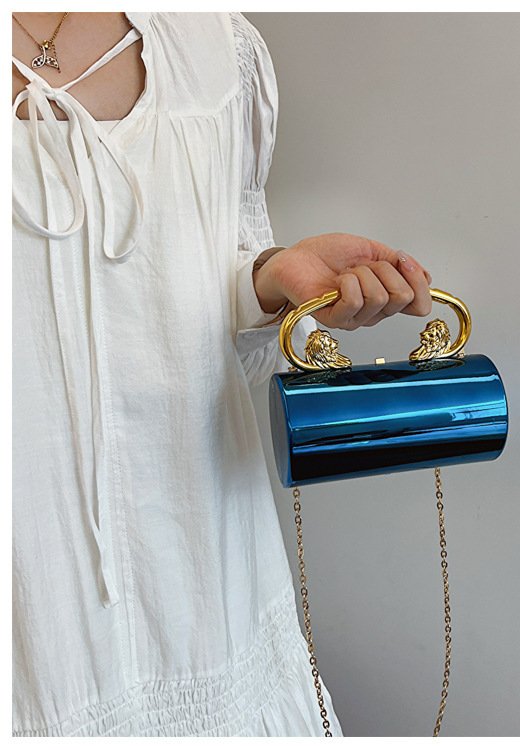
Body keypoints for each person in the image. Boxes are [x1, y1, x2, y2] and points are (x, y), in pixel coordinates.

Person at [12, 12, 432, 737]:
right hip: (29, 589)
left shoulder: (210, 45)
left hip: (201, 566)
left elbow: (206, 321)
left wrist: (269, 282)